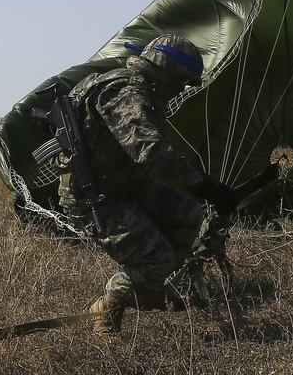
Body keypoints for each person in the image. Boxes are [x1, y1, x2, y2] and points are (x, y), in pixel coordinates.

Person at [59, 35, 238, 336]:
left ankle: (148, 287)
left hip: (126, 187)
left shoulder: (143, 91)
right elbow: (150, 151)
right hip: (96, 199)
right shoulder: (124, 91)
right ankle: (108, 306)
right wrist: (206, 186)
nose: (181, 90)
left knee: (187, 214)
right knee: (157, 259)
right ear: (166, 70)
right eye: (182, 82)